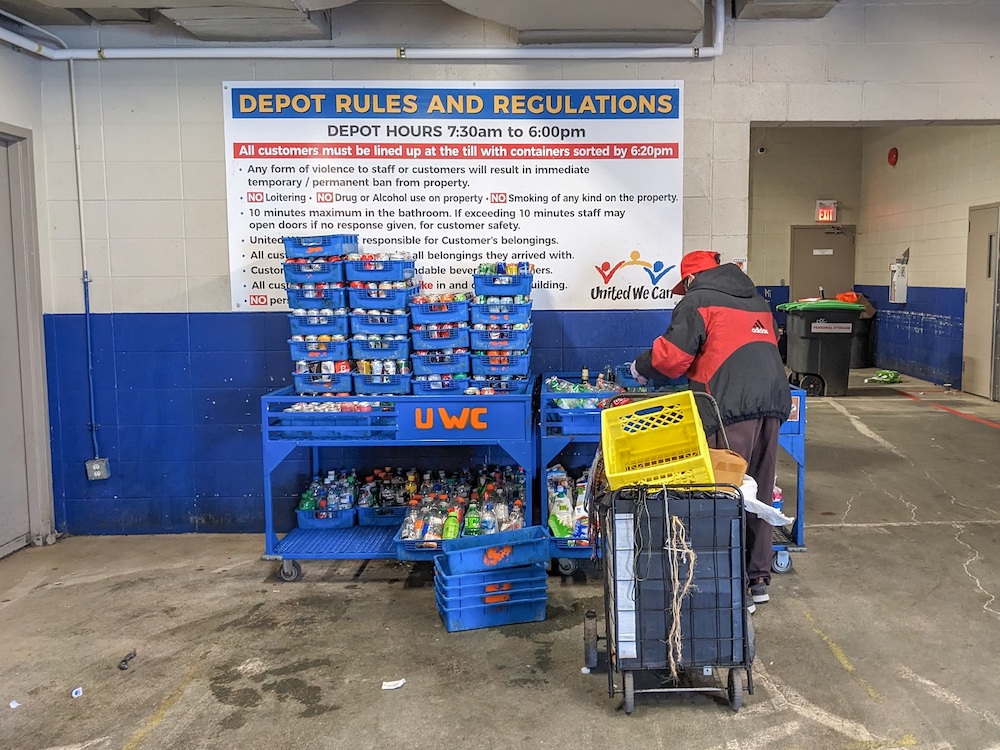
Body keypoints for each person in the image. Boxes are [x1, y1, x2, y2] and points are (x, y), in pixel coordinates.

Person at [630, 250, 791, 610]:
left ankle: (729, 588)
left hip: (728, 408)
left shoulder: (697, 300)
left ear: (689, 280)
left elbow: (671, 357)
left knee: (723, 493)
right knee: (758, 493)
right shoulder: (757, 301)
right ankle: (757, 579)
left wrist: (641, 367)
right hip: (773, 403)